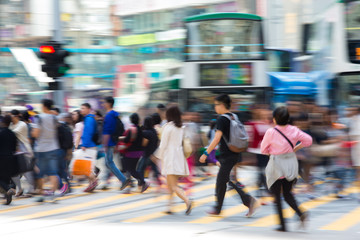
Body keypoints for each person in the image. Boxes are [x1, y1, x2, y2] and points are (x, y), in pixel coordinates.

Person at [199, 94, 259, 217]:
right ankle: (247, 201)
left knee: (221, 181)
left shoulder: (222, 119)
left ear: (221, 105)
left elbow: (216, 139)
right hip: (235, 153)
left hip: (228, 155)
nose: (215, 107)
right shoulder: (233, 116)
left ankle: (220, 208)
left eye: (216, 104)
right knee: (227, 180)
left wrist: (206, 153)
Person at [261, 106, 312, 232]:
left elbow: (263, 149)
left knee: (276, 195)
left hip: (277, 165)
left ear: (274, 119)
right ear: (288, 119)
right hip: (291, 163)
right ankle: (301, 213)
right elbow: (308, 141)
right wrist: (295, 148)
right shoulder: (294, 130)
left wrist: (272, 153)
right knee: (288, 193)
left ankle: (282, 225)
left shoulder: (271, 132)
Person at [155, 106, 192, 215]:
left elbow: (163, 144)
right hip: (179, 157)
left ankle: (187, 201)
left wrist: (159, 156)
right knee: (171, 184)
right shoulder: (180, 127)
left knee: (173, 185)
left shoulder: (168, 127)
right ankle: (169, 207)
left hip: (170, 158)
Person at [31, 99, 60, 200]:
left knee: (40, 173)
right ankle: (53, 193)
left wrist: (33, 133)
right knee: (53, 172)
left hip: (41, 149)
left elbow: (36, 133)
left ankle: (42, 194)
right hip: (53, 147)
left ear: (43, 106)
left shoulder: (38, 117)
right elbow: (57, 128)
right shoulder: (54, 118)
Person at [102, 97, 131, 190]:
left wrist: (105, 144)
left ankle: (123, 180)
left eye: (104, 102)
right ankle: (123, 179)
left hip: (110, 142)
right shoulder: (115, 115)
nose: (103, 104)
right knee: (108, 162)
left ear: (108, 104)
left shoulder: (109, 115)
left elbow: (107, 131)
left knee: (109, 162)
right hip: (113, 141)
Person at [120, 113, 149, 193]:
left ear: (131, 120)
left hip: (131, 152)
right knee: (132, 169)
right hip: (138, 152)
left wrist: (121, 139)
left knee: (130, 169)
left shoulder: (132, 129)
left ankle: (143, 182)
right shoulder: (139, 129)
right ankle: (139, 182)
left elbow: (127, 140)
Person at [10, 109, 35, 196]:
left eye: (11, 116)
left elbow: (13, 133)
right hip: (15, 151)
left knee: (26, 171)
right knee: (13, 172)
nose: (10, 118)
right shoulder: (11, 125)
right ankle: (19, 189)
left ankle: (31, 189)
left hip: (24, 151)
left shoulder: (22, 124)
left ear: (16, 116)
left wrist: (4, 130)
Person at [80, 103, 99, 192]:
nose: (81, 110)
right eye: (81, 108)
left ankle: (94, 181)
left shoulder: (89, 119)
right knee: (88, 166)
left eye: (83, 108)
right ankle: (91, 184)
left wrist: (84, 144)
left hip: (89, 146)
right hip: (91, 145)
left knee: (86, 167)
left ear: (88, 109)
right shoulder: (89, 118)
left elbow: (88, 132)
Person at [137, 116, 161, 187]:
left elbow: (144, 143)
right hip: (153, 154)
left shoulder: (146, 133)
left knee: (140, 169)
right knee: (155, 170)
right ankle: (161, 182)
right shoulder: (155, 132)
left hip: (146, 154)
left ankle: (142, 184)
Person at [0, 115, 17, 205]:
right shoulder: (12, 133)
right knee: (5, 178)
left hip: (1, 158)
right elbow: (15, 148)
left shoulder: (1, 133)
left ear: (3, 122)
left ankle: (8, 190)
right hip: (11, 158)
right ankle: (7, 197)